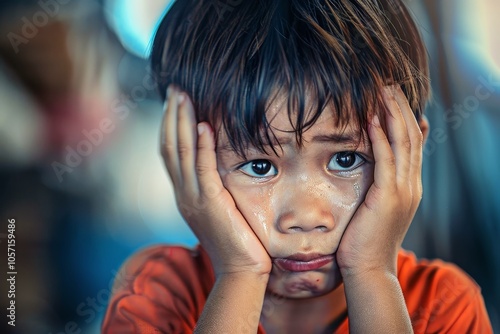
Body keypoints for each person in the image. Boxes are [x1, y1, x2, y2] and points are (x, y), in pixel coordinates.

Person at [102, 0, 493, 332]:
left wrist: (373, 273)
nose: (306, 217)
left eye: (346, 159)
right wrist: (239, 274)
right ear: (185, 157)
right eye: (259, 166)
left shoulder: (443, 306)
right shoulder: (158, 293)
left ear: (409, 153)